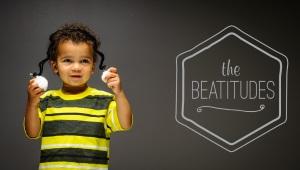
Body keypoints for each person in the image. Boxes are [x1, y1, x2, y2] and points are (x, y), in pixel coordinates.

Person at [23, 23, 133, 170]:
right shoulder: (46, 100)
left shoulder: (104, 100)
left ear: (93, 67)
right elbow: (32, 133)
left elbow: (125, 123)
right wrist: (32, 103)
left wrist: (119, 93)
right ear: (55, 66)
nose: (76, 67)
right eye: (67, 60)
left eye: (84, 61)